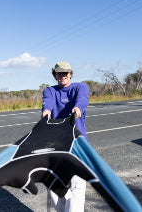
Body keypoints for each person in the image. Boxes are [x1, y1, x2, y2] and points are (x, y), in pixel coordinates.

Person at [41, 61, 89, 212]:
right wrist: (46, 111)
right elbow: (47, 103)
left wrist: (78, 108)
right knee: (54, 185)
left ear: (70, 74)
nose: (62, 75)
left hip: (77, 145)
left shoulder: (79, 87)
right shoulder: (50, 91)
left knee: (77, 185)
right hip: (56, 144)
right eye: (59, 73)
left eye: (65, 73)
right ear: (55, 75)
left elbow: (82, 99)